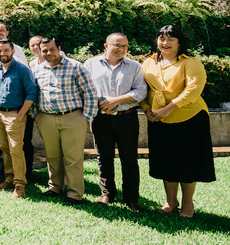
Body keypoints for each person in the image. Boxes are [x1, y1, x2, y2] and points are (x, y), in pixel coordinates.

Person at [141, 25, 215, 218]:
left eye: (170, 39)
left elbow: (193, 90)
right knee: (166, 161)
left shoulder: (191, 62)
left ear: (180, 42)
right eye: (161, 39)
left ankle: (188, 204)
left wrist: (167, 109)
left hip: (189, 118)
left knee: (188, 162)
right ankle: (170, 202)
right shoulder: (148, 62)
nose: (165, 43)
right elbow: (140, 89)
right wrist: (146, 109)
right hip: (158, 119)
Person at [85, 33, 148, 210]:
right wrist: (102, 103)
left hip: (126, 118)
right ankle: (107, 194)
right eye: (117, 45)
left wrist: (116, 101)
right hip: (100, 118)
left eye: (125, 46)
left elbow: (140, 91)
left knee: (129, 159)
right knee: (104, 157)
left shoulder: (134, 66)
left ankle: (131, 198)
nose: (121, 49)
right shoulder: (90, 64)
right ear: (106, 46)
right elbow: (84, 87)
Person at [34, 36, 99, 204]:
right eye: (44, 50)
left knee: (73, 158)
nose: (49, 53)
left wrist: (86, 118)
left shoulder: (75, 66)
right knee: (52, 157)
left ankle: (75, 194)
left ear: (59, 48)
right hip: (46, 118)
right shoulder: (38, 69)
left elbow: (90, 93)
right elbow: (33, 93)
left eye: (52, 49)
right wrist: (36, 116)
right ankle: (55, 187)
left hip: (72, 117)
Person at [0, 39, 38, 198]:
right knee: (4, 147)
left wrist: (21, 114)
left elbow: (32, 92)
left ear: (13, 51)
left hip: (15, 114)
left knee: (16, 149)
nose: (2, 53)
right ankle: (9, 179)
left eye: (5, 50)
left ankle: (19, 185)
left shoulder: (22, 69)